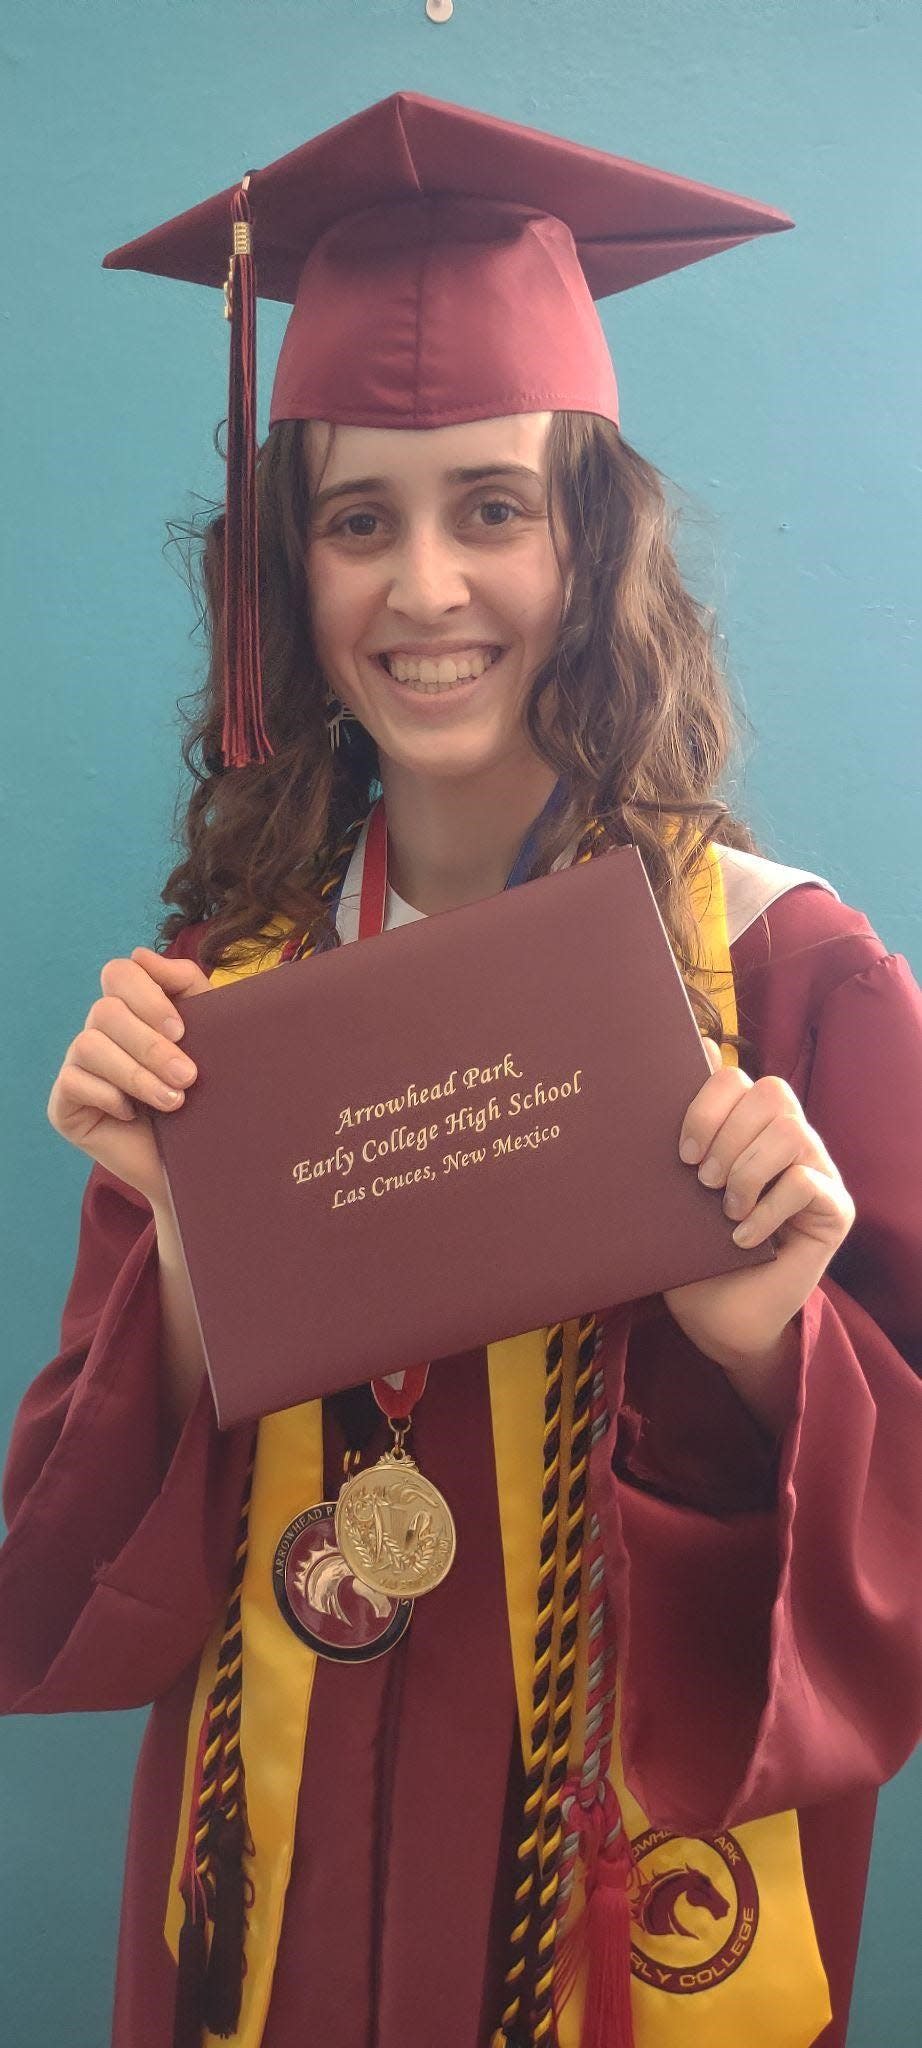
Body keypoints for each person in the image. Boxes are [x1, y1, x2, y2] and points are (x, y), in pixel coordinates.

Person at [1, 90, 920, 2048]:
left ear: (590, 539)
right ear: (288, 573)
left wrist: (777, 1341)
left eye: (489, 507)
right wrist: (178, 1242)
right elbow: (63, 1583)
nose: (423, 593)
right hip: (271, 1895)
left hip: (607, 1912)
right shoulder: (215, 1005)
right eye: (358, 520)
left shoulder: (788, 975)